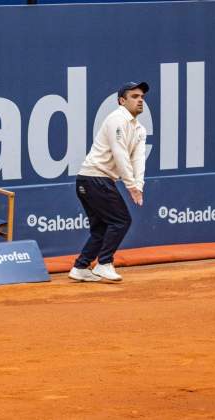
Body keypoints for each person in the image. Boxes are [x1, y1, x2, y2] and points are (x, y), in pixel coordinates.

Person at [68, 82, 148, 282]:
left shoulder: (139, 129)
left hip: (95, 181)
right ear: (122, 101)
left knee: (102, 228)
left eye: (142, 97)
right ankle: (104, 263)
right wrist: (130, 186)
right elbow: (120, 154)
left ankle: (80, 267)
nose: (140, 100)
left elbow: (138, 159)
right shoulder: (116, 120)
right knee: (121, 220)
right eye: (135, 96)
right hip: (93, 178)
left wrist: (139, 185)